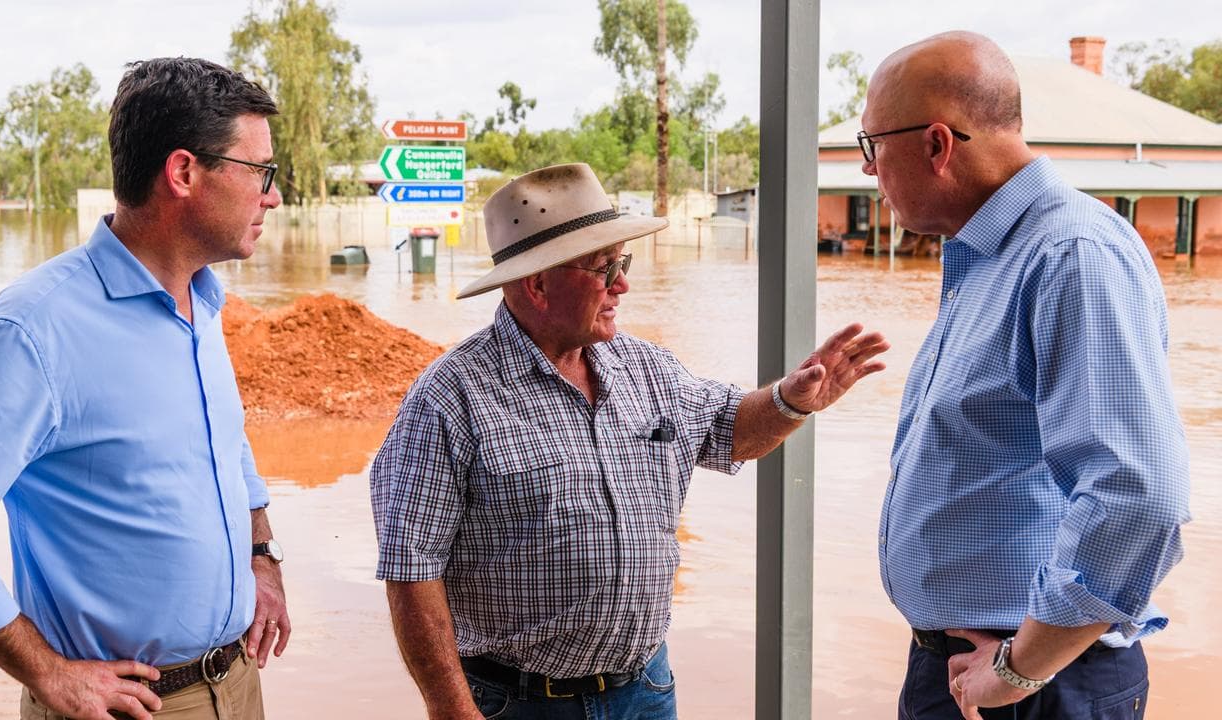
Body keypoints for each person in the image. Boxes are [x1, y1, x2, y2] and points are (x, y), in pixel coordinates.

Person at [371, 162, 890, 720]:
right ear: (538, 283)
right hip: (516, 704)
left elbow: (727, 430)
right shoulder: (449, 400)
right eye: (604, 267)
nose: (623, 284)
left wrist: (790, 401)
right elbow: (411, 573)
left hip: (644, 690)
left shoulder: (647, 369)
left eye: (624, 262)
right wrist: (452, 712)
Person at [0, 57, 291, 720]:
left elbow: (228, 446)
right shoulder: (36, 329)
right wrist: (47, 673)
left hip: (239, 685)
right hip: (124, 708)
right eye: (260, 173)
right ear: (184, 172)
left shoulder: (203, 303)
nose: (273, 196)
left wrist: (263, 555)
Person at [863, 32, 1191, 720]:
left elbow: (1138, 496)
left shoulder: (1070, 255)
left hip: (1033, 684)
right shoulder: (989, 257)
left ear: (936, 146)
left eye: (872, 147)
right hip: (972, 668)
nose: (868, 171)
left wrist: (1018, 670)